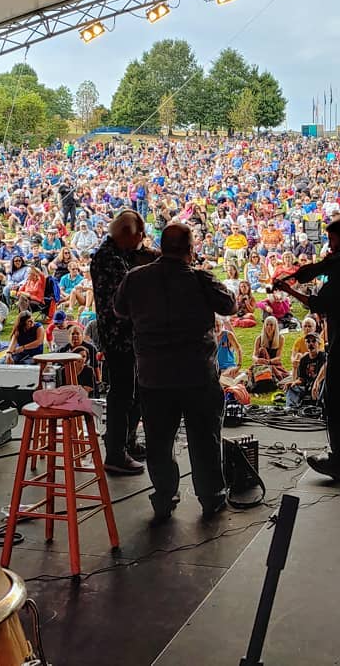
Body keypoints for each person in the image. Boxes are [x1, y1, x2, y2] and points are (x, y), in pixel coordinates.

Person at [114, 223, 237, 522]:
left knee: (158, 441)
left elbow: (119, 310)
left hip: (154, 376)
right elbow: (230, 305)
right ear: (191, 248)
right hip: (197, 375)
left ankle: (164, 497)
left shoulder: (135, 278)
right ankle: (211, 497)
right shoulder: (199, 278)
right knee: (204, 439)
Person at [273, 218, 340, 481]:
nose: (329, 247)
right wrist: (300, 275)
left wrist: (288, 288)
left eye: (331, 240)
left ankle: (338, 462)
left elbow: (318, 304)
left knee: (334, 401)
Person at [91, 210, 157, 476]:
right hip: (119, 337)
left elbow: (140, 257)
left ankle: (128, 442)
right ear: (128, 236)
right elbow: (132, 296)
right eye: (140, 236)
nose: (142, 241)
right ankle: (115, 453)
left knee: (137, 391)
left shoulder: (118, 253)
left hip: (130, 337)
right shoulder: (109, 260)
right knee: (122, 394)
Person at [285, 333, 327, 407]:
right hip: (307, 387)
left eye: (314, 341)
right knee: (292, 388)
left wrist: (316, 383)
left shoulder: (323, 356)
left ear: (319, 344)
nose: (311, 344)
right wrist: (293, 382)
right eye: (308, 341)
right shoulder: (304, 359)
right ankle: (291, 409)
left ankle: (320, 406)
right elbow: (302, 379)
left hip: (320, 386)